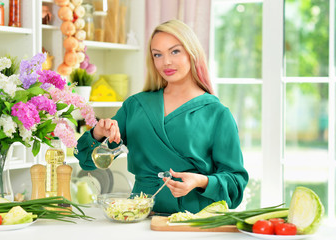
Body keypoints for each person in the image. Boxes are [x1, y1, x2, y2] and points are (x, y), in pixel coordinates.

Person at [74, 19, 249, 214]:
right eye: (158, 54)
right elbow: (87, 162)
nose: (166, 62)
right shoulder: (135, 106)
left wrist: (200, 181)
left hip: (193, 221)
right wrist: (97, 133)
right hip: (138, 216)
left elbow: (236, 184)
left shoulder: (217, 114)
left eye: (175, 51)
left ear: (192, 53)